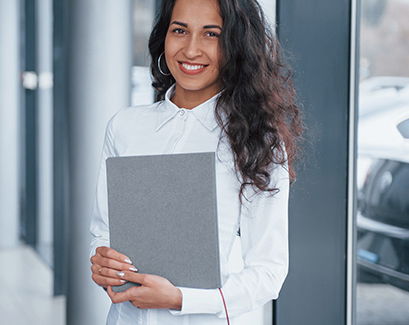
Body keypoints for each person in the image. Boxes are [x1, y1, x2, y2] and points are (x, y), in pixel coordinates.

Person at [88, 0, 304, 323]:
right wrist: (103, 260)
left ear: (236, 44)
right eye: (180, 30)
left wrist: (181, 299)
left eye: (211, 34)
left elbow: (268, 272)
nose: (191, 49)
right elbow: (103, 232)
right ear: (164, 36)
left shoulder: (258, 141)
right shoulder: (125, 128)